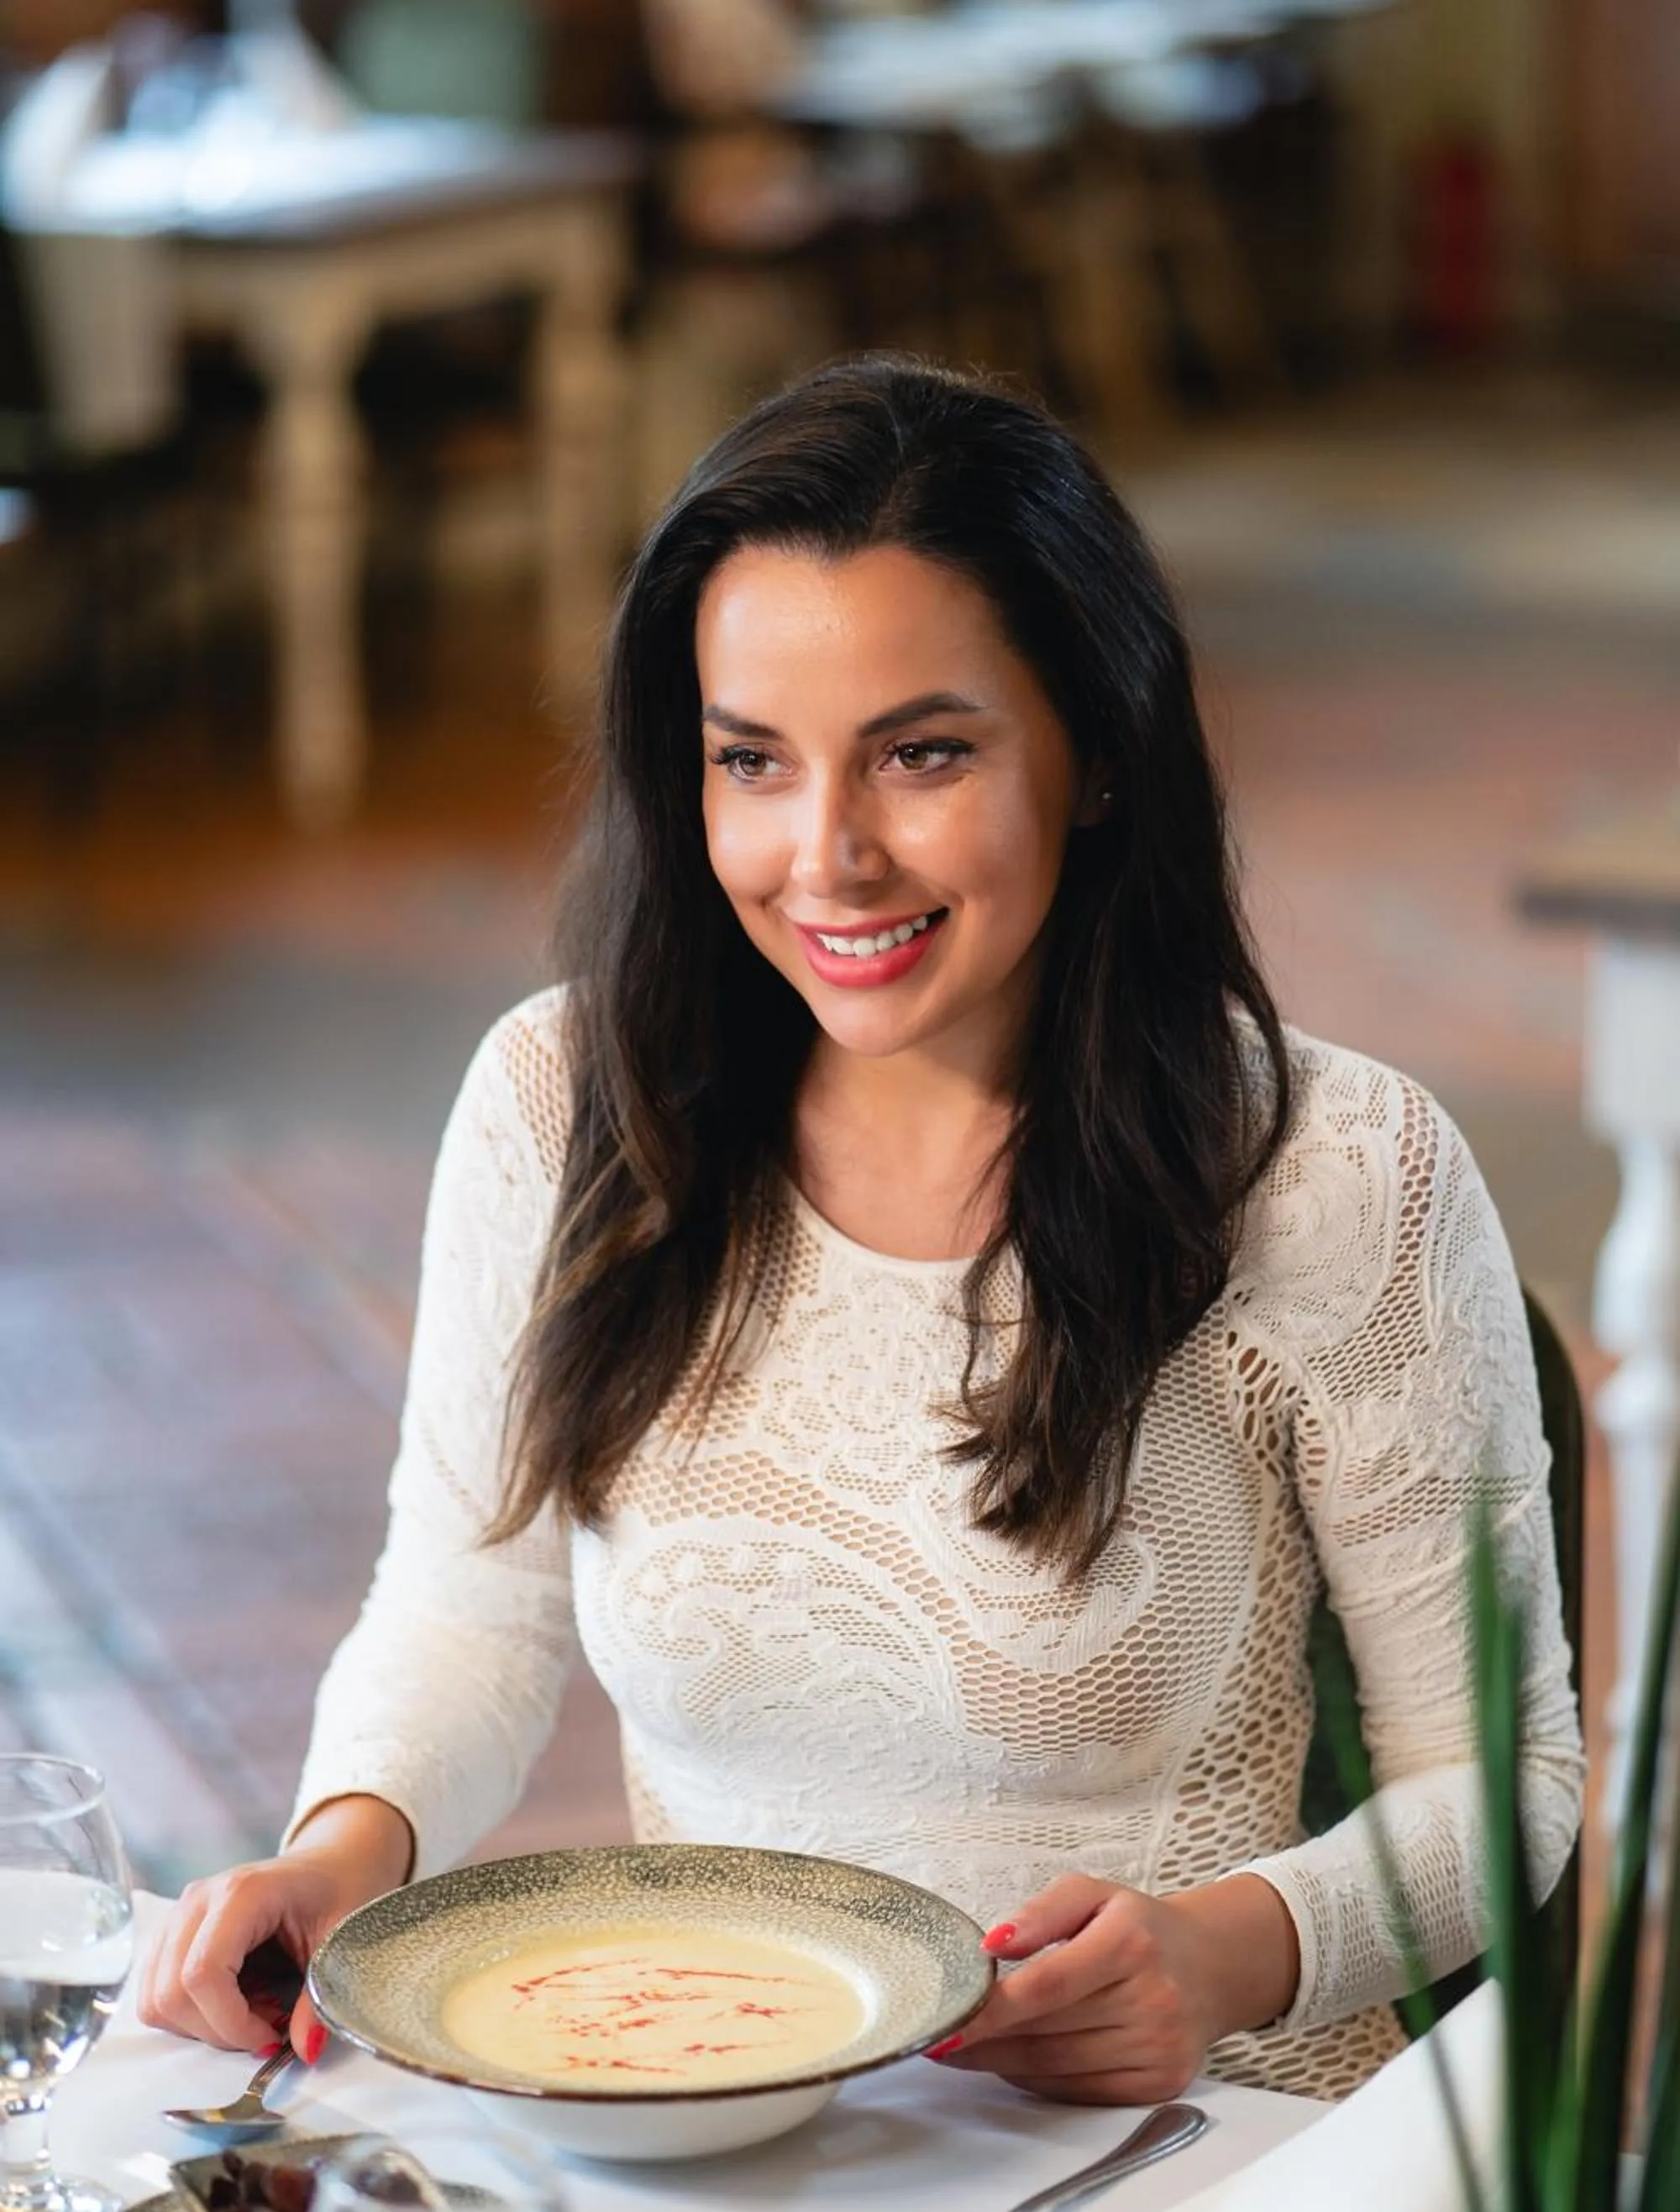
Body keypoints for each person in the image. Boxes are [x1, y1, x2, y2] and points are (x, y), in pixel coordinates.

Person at [141, 356, 1584, 2104]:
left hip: (1188, 2145)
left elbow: (1503, 1785)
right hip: (732, 2127)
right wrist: (336, 1853)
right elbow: (470, 1608)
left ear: (1098, 756)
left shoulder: (1333, 1171)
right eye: (751, 761)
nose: (824, 857)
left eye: (920, 755)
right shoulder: (563, 1106)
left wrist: (1220, 1956)